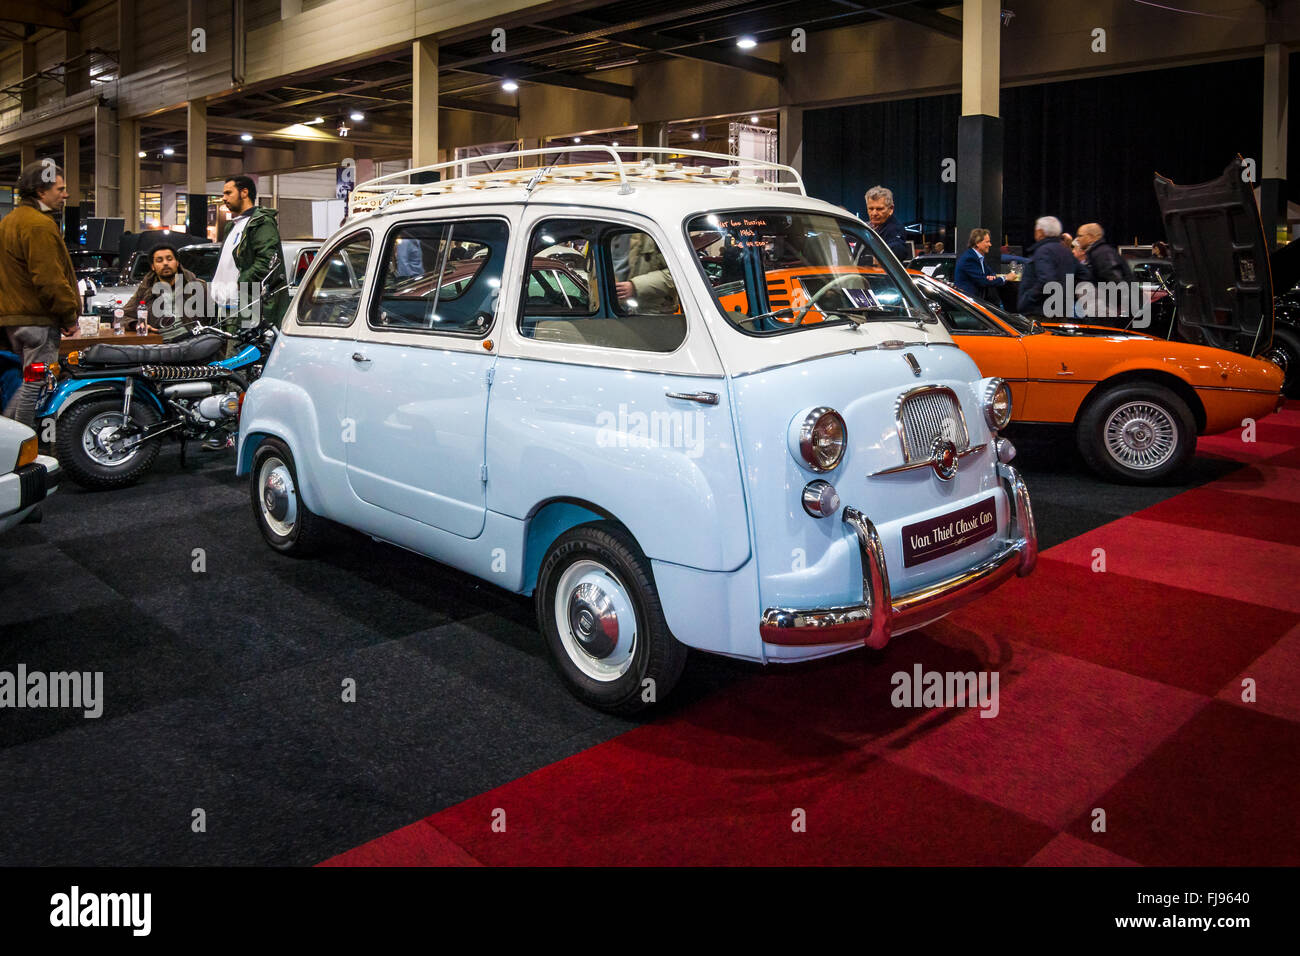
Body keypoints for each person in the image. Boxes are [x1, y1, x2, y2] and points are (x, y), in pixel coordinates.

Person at [0, 160, 80, 426]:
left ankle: (11, 440)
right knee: (36, 382)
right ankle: (22, 443)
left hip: (16, 320)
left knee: (29, 380)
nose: (65, 195)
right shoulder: (38, 225)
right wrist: (69, 317)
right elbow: (49, 280)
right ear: (40, 191)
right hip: (37, 321)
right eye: (60, 189)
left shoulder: (10, 221)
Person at [210, 175, 288, 343]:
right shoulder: (233, 225)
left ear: (244, 193)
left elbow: (268, 260)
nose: (224, 198)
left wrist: (241, 283)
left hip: (245, 307)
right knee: (224, 362)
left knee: (236, 362)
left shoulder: (261, 222)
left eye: (228, 193)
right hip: (224, 309)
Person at [122, 244, 209, 341]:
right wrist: (137, 324)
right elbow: (122, 316)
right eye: (159, 260)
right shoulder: (145, 290)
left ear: (177, 263)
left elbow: (216, 319)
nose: (165, 263)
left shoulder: (197, 286)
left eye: (169, 259)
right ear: (153, 266)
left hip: (193, 342)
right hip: (160, 345)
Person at [1017, 215, 1081, 317]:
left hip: (1041, 312)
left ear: (1040, 232)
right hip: (1063, 311)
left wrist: (1028, 298)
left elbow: (1047, 280)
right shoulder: (1067, 252)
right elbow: (1083, 275)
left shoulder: (1043, 251)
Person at [953, 228, 1007, 302]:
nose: (990, 244)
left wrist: (992, 276)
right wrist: (1005, 278)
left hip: (976, 301)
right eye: (987, 242)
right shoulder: (969, 258)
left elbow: (990, 272)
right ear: (977, 243)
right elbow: (983, 281)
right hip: (968, 303)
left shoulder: (977, 257)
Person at [864, 186, 909, 260]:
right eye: (871, 209)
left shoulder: (894, 229)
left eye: (879, 209)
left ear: (891, 209)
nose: (874, 213)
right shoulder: (866, 226)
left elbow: (898, 251)